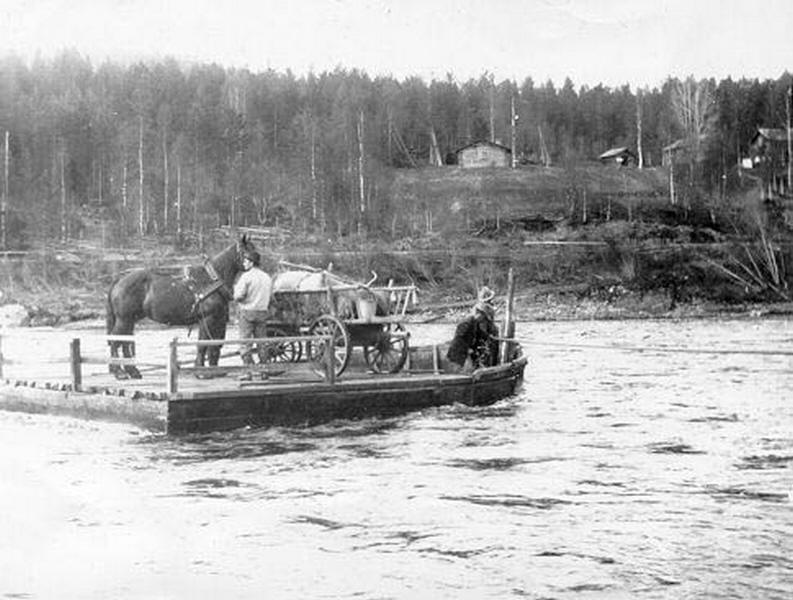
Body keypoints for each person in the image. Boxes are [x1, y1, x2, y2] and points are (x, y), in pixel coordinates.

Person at [233, 249, 273, 380]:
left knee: (245, 343)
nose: (244, 263)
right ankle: (264, 371)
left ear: (251, 262)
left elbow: (238, 296)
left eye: (245, 261)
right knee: (262, 343)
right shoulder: (267, 277)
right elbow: (270, 295)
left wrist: (238, 296)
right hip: (262, 313)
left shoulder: (246, 277)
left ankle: (247, 372)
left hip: (247, 313)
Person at [445, 287, 499, 373]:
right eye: (483, 317)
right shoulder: (466, 323)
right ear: (478, 313)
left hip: (466, 353)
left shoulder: (476, 323)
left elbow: (481, 334)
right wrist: (468, 350)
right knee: (462, 372)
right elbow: (458, 340)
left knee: (473, 368)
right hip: (458, 355)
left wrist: (489, 336)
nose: (483, 319)